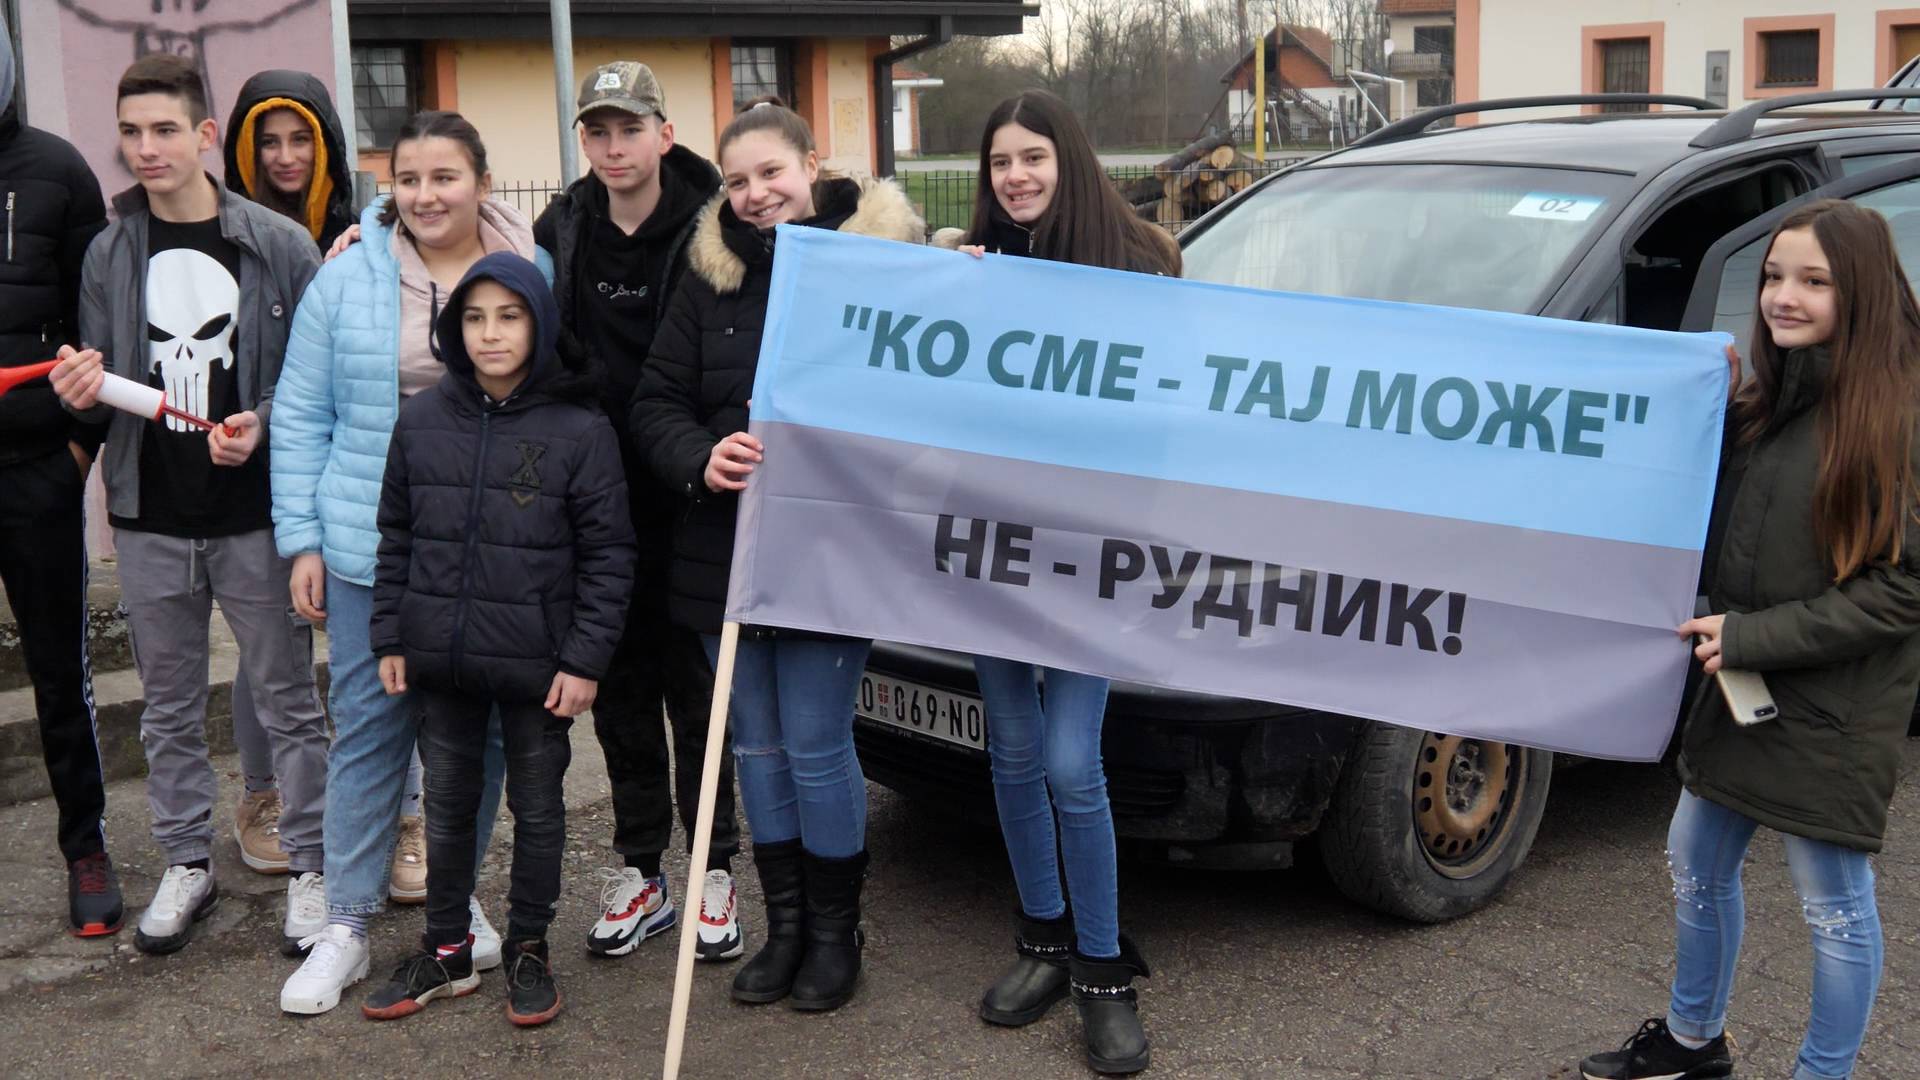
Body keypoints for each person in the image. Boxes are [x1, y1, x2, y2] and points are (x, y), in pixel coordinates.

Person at [1579, 199, 1920, 1080]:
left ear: (1866, 293)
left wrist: (1755, 637)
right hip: (1744, 682)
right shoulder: (1771, 397)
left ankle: (1825, 1072)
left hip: (1832, 707)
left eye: (1814, 281)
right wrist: (1707, 404)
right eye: (1773, 276)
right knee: (1694, 856)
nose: (1784, 297)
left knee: (1834, 908)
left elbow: (1903, 590)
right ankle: (1694, 1043)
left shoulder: (1901, 417)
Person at [632, 97, 922, 1013]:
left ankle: (837, 935)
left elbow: (928, 399)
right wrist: (699, 457)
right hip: (725, 552)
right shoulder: (704, 278)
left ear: (813, 163)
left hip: (832, 552)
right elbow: (654, 404)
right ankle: (787, 925)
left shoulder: (885, 267)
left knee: (817, 743)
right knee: (755, 748)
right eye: (739, 180)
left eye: (773, 173)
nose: (757, 194)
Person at [47, 53, 331, 959]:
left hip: (255, 512)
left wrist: (268, 420)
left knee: (287, 698)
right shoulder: (110, 250)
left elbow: (323, 379)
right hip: (147, 511)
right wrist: (78, 385)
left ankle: (316, 865)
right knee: (167, 707)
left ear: (206, 135)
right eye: (130, 132)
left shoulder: (279, 244)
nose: (145, 148)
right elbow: (96, 382)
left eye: (165, 129)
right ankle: (185, 861)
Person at [272, 109, 544, 1015]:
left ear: (482, 182)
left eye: (445, 177)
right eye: (409, 180)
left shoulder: (529, 272)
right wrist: (302, 540)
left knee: (480, 734)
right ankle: (345, 923)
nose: (425, 196)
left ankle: (453, 900)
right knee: (370, 726)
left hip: (490, 548)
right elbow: (304, 416)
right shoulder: (344, 279)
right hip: (366, 545)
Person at [933, 88, 1180, 1076]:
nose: (1017, 176)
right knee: (1013, 746)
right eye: (1001, 162)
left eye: (1033, 157)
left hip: (1090, 552)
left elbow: (1169, 416)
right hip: (997, 543)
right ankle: (1042, 939)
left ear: (1067, 159)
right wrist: (945, 297)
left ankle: (1105, 972)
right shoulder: (975, 270)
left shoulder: (1144, 265)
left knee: (1075, 762)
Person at [362, 251, 634, 1027]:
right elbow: (396, 535)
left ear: (539, 323)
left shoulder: (580, 428)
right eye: (474, 318)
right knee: (446, 806)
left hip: (538, 666)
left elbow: (610, 556)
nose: (490, 334)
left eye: (509, 316)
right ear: (454, 328)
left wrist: (584, 659)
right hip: (442, 661)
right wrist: (391, 635)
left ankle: (527, 946)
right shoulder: (420, 419)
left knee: (540, 809)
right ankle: (446, 950)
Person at [533, 60, 742, 961]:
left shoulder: (716, 222)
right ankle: (640, 869)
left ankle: (713, 871)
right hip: (596, 497)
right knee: (619, 694)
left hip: (692, 491)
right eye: (597, 132)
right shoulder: (563, 224)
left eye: (631, 128)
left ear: (665, 132)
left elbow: (824, 225)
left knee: (699, 696)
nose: (614, 147)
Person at [215, 69, 357, 878]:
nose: (285, 155)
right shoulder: (224, 231)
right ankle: (263, 790)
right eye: (268, 140)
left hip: (347, 455)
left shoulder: (363, 224)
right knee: (268, 640)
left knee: (362, 634)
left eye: (301, 137)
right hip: (253, 455)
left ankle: (384, 801)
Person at [0, 9, 120, 937]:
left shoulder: (57, 169)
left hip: (37, 467)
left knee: (56, 667)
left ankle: (86, 844)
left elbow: (100, 318)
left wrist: (79, 445)